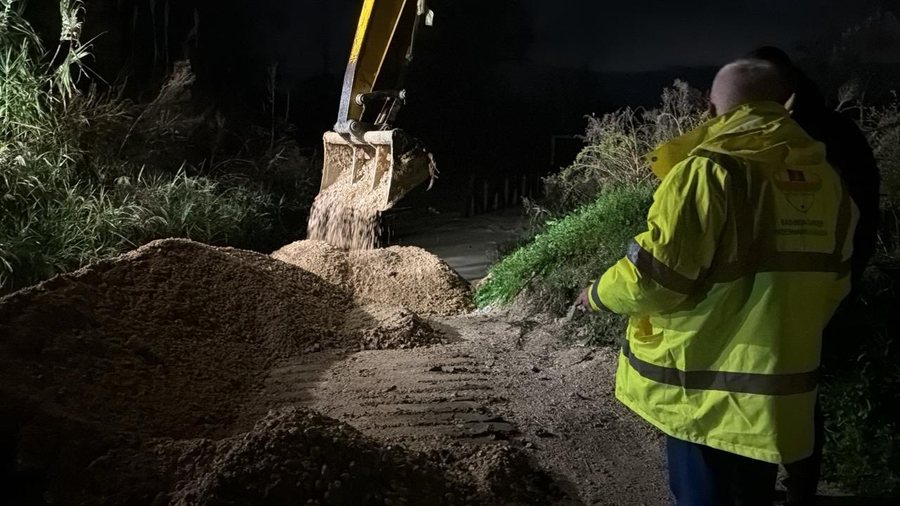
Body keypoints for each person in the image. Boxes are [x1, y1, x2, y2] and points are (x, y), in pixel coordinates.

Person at [576, 59, 858, 505]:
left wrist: (595, 294)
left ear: (710, 109)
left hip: (704, 389)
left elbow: (655, 279)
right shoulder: (828, 181)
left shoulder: (709, 170)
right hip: (774, 394)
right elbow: (834, 283)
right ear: (785, 103)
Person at [746, 46, 882, 506]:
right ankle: (800, 487)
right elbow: (863, 218)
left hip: (781, 287)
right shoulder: (840, 131)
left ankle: (767, 485)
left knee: (766, 384)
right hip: (829, 282)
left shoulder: (787, 134)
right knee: (802, 384)